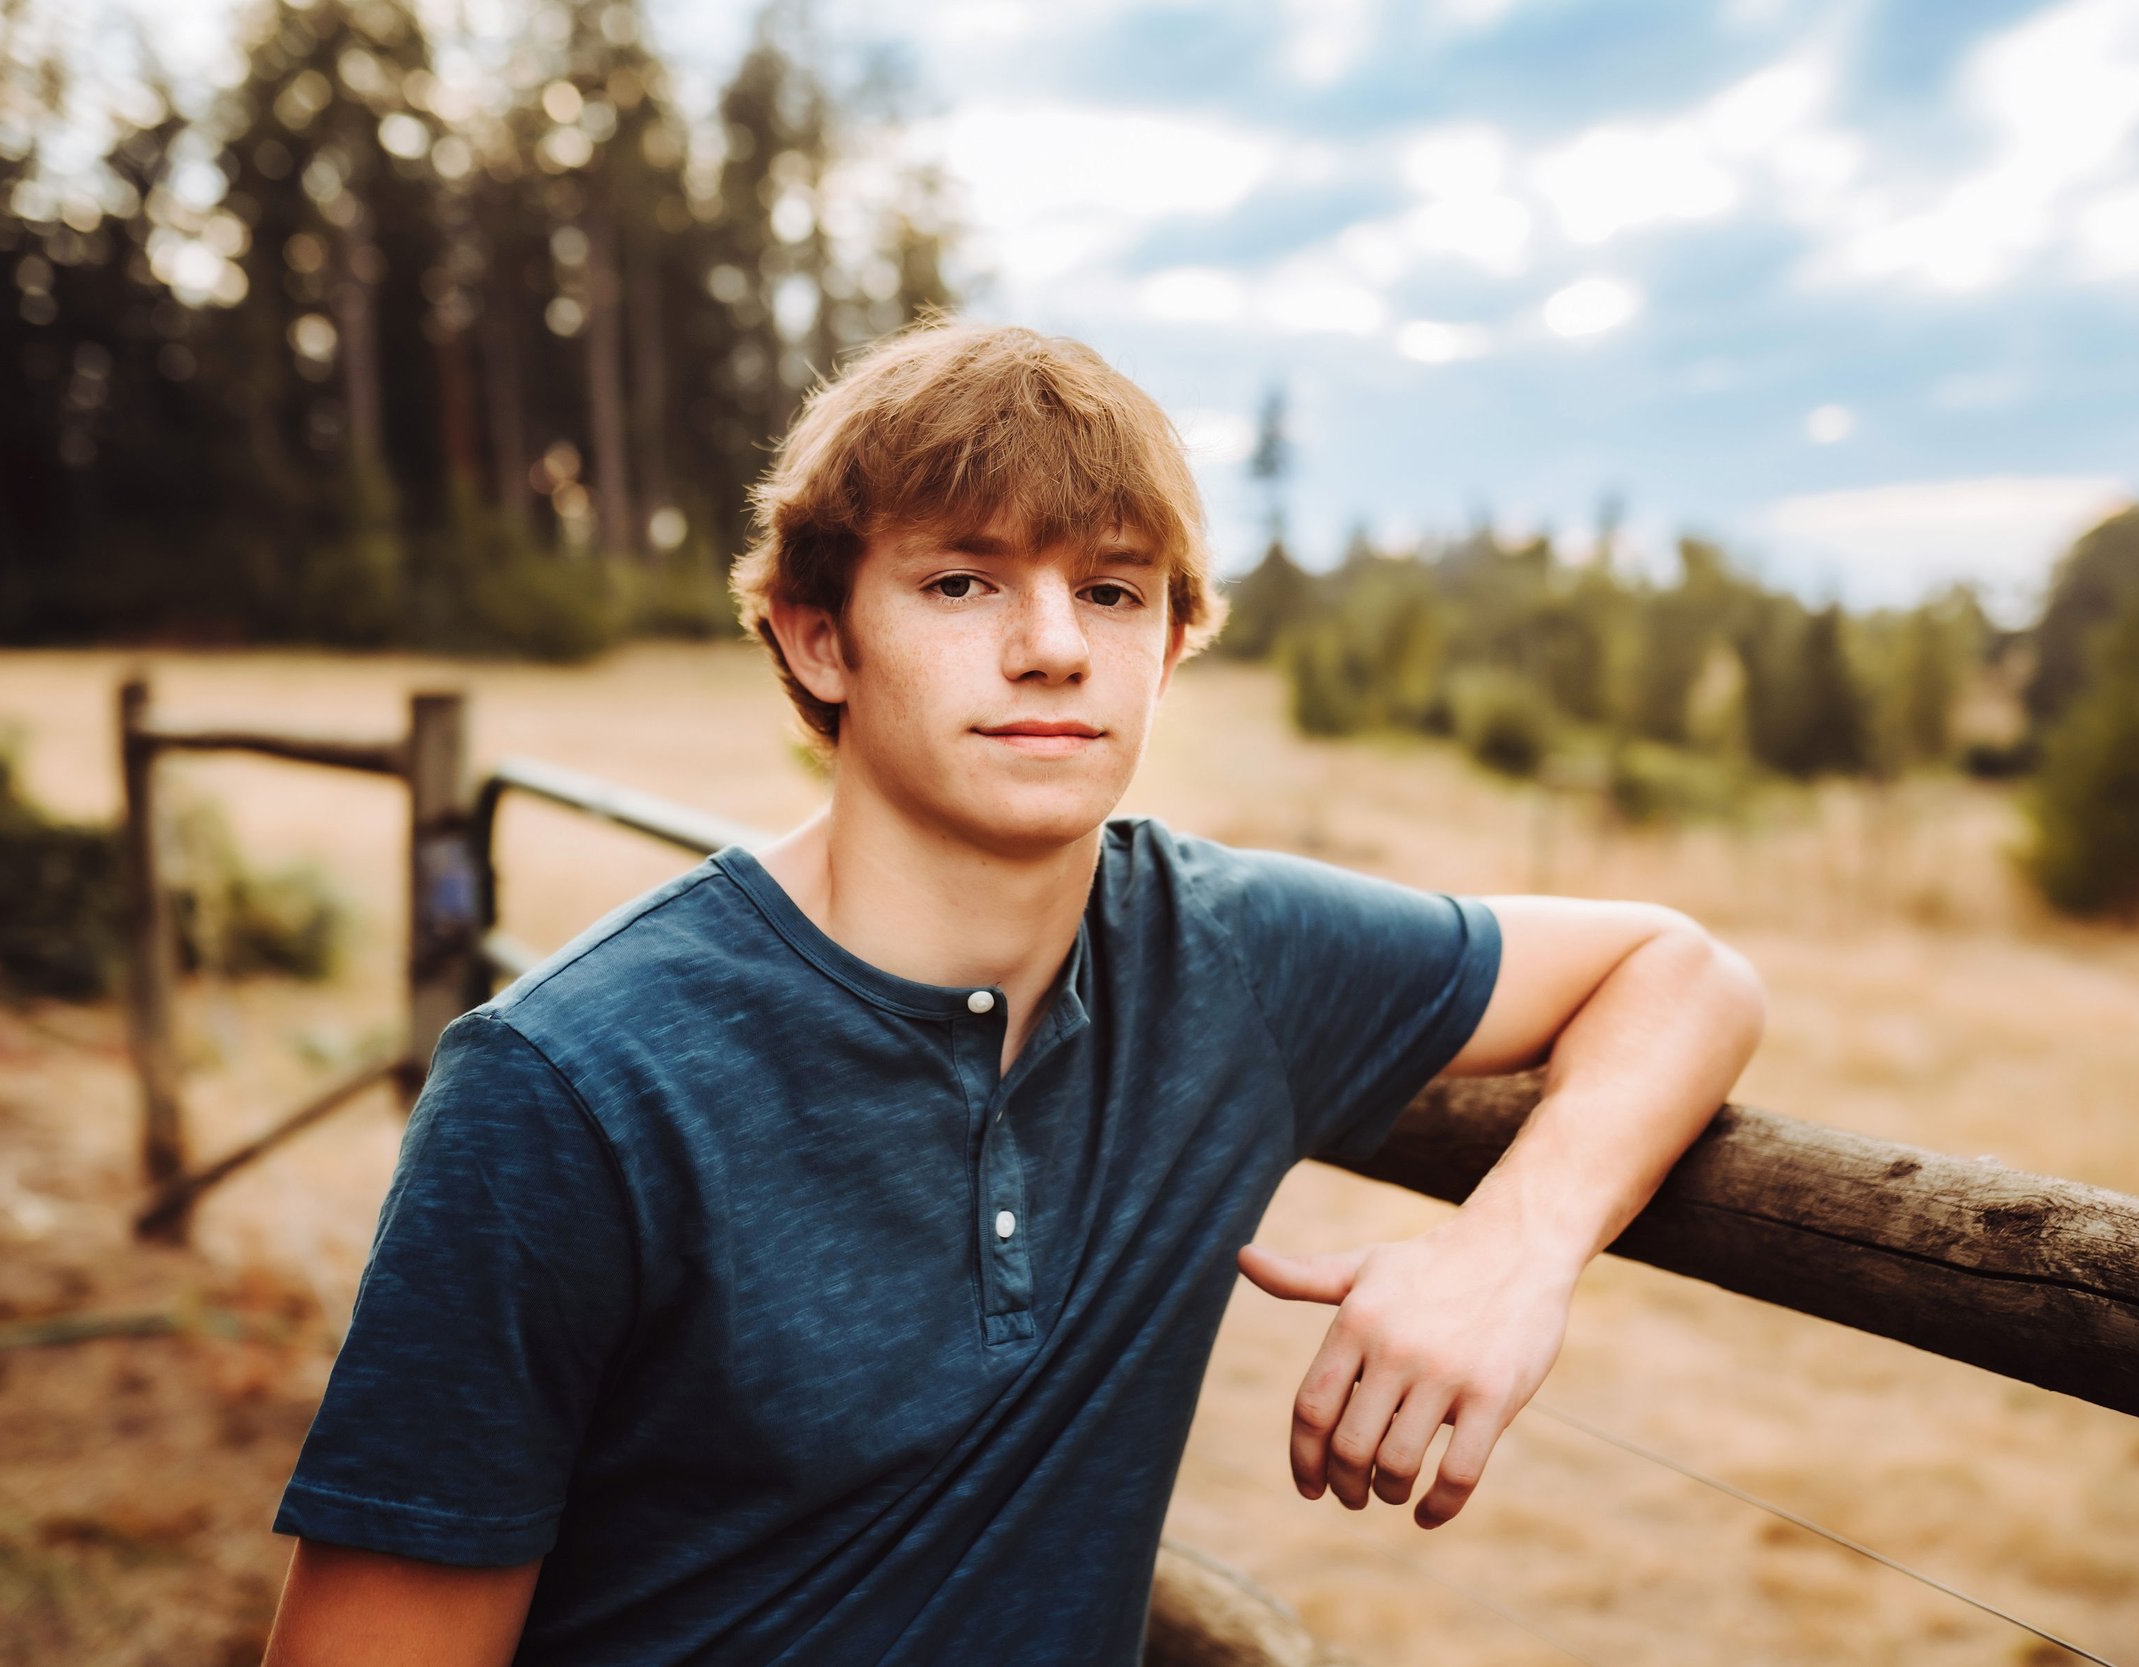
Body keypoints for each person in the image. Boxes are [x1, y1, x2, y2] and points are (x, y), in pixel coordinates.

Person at [259, 321, 1765, 1666]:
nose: (1052, 647)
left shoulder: (1225, 952)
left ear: (1171, 645)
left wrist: (1514, 1247)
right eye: (963, 579)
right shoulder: (567, 1090)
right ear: (819, 635)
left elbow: (1678, 970)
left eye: (1110, 590)